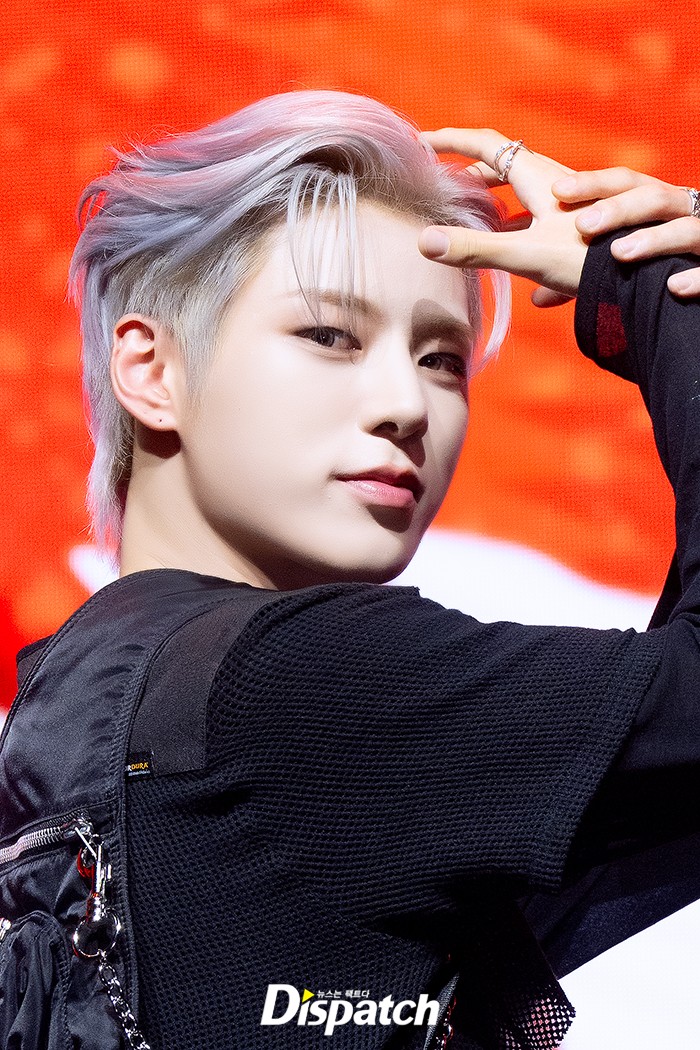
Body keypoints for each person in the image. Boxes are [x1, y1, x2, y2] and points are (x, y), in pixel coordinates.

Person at [6, 91, 700, 1050]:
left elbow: (657, 763)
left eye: (442, 358)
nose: (405, 404)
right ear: (152, 370)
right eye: (329, 335)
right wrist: (656, 291)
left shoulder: (69, 708)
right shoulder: (302, 682)